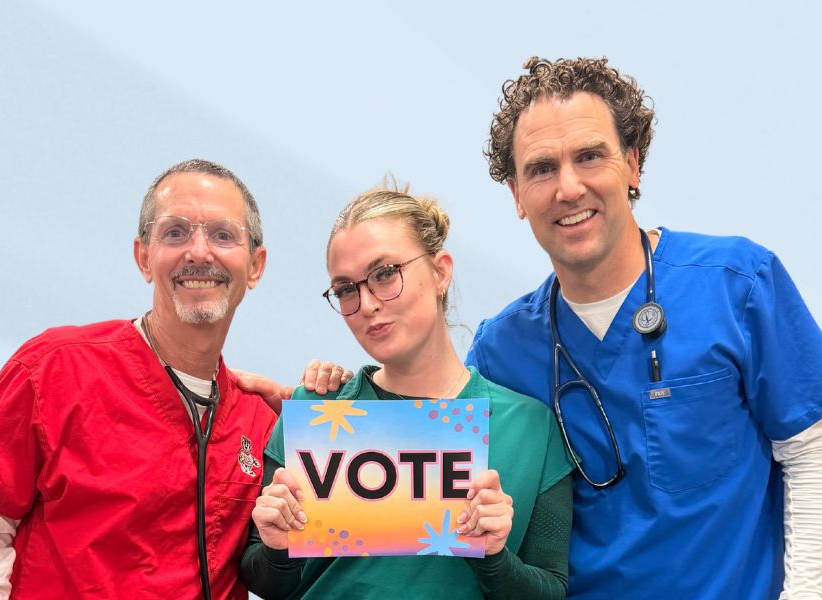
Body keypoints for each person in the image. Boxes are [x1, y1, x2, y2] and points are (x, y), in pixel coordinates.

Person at [466, 57, 822, 599]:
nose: (568, 188)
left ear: (632, 164)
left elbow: (812, 450)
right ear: (516, 195)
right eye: (542, 168)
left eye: (589, 156)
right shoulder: (501, 351)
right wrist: (348, 395)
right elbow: (436, 479)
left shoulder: (737, 284)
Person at [0, 159, 279, 599]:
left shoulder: (261, 422)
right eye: (175, 232)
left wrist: (326, 409)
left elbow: (332, 562)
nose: (198, 252)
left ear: (255, 265)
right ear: (143, 257)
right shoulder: (55, 368)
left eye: (222, 235)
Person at [240, 180, 574, 599]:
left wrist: (493, 557)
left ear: (440, 272)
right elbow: (264, 579)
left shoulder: (529, 430)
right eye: (346, 289)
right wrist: (277, 549)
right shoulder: (315, 411)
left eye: (385, 274)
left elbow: (551, 590)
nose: (367, 304)